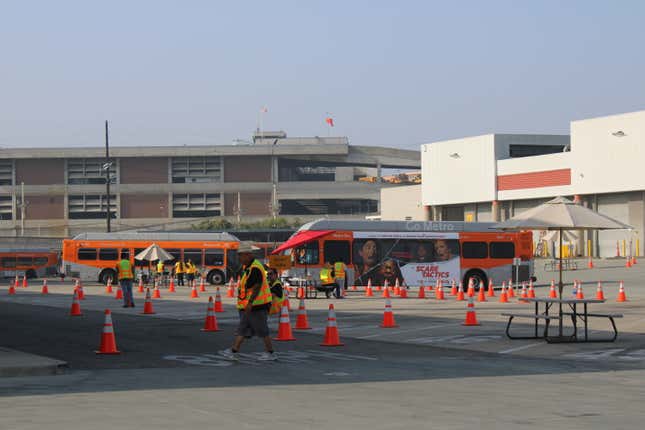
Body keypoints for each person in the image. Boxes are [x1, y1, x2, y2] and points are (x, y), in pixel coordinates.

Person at [220, 242, 277, 361]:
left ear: (247, 255)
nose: (239, 258)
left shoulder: (255, 268)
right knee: (243, 328)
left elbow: (256, 286)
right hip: (249, 306)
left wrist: (250, 302)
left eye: (240, 256)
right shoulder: (249, 267)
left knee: (262, 330)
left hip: (257, 306)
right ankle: (233, 351)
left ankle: (270, 353)